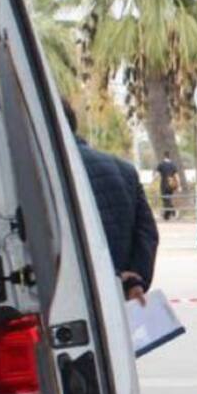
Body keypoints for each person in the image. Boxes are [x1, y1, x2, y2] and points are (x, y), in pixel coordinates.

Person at [62, 99, 158, 302]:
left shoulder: (48, 172)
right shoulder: (124, 169)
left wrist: (111, 277)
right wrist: (134, 281)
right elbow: (147, 234)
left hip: (75, 297)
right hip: (123, 297)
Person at [156, 150, 180, 220]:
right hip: (171, 185)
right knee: (168, 199)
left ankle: (172, 212)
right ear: (169, 156)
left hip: (164, 184)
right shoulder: (173, 165)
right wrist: (178, 186)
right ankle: (167, 215)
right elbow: (177, 176)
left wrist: (153, 180)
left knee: (166, 200)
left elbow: (157, 175)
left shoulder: (161, 164)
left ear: (164, 156)